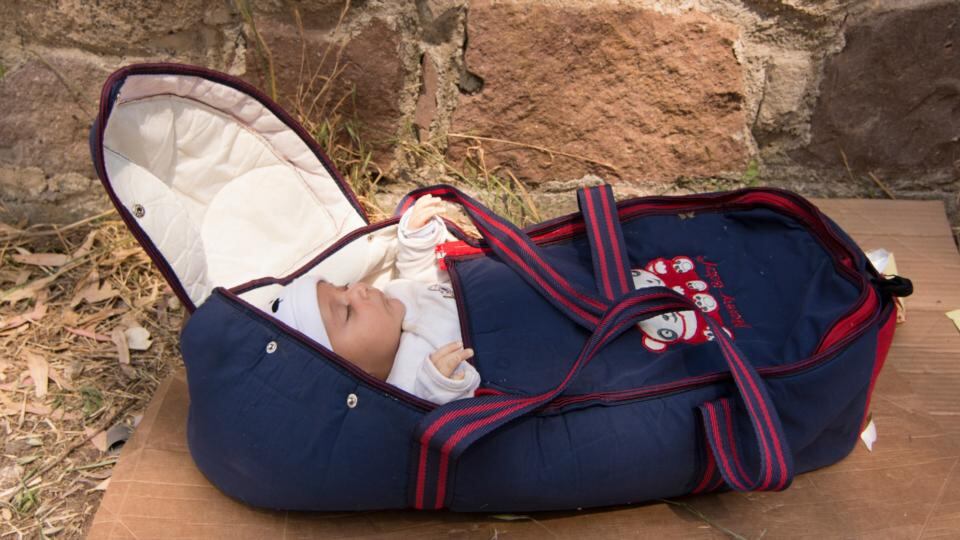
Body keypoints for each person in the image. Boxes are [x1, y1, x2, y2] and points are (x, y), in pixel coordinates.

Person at [271, 195, 481, 404]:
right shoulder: (408, 387)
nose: (358, 289)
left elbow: (423, 276)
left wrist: (416, 237)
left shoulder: (398, 292)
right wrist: (440, 388)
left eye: (344, 287)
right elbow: (445, 422)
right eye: (347, 312)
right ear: (353, 373)